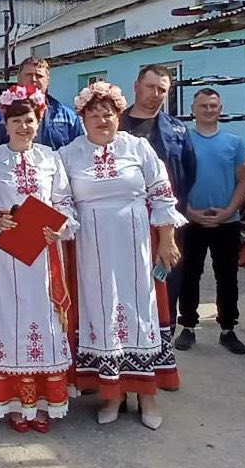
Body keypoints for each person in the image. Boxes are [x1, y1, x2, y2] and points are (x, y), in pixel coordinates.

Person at [58, 82, 184, 430]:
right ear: (82, 118)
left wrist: (166, 241)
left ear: (119, 116)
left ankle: (147, 394)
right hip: (91, 251)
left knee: (139, 312)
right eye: (94, 115)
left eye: (109, 114)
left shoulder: (138, 148)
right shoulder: (68, 155)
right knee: (102, 314)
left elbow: (162, 194)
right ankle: (111, 393)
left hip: (135, 248)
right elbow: (61, 201)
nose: (103, 120)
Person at [0, 86, 77, 432]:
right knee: (10, 319)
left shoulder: (51, 159)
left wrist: (60, 228)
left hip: (44, 252)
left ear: (38, 120)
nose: (23, 127)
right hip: (7, 254)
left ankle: (45, 401)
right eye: (16, 121)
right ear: (5, 122)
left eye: (29, 120)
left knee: (44, 320)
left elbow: (65, 202)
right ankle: (15, 402)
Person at [119, 64, 196, 324]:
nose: (155, 94)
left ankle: (165, 336)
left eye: (162, 90)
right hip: (123, 221)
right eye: (150, 87)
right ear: (136, 87)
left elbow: (188, 172)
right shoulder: (114, 124)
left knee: (167, 281)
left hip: (167, 224)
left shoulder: (177, 129)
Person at [175, 88, 245, 355]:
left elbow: (244, 179)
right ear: (193, 109)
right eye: (204, 105)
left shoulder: (234, 142)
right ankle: (187, 326)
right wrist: (189, 211)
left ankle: (228, 329)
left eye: (214, 105)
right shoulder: (183, 140)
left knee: (227, 277)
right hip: (191, 219)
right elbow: (175, 180)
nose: (209, 110)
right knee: (189, 275)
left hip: (227, 221)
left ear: (220, 109)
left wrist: (230, 210)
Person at [0, 57, 83, 149]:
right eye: (28, 75)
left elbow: (79, 152)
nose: (34, 80)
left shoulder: (68, 117)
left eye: (39, 76)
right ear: (18, 79)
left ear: (48, 81)